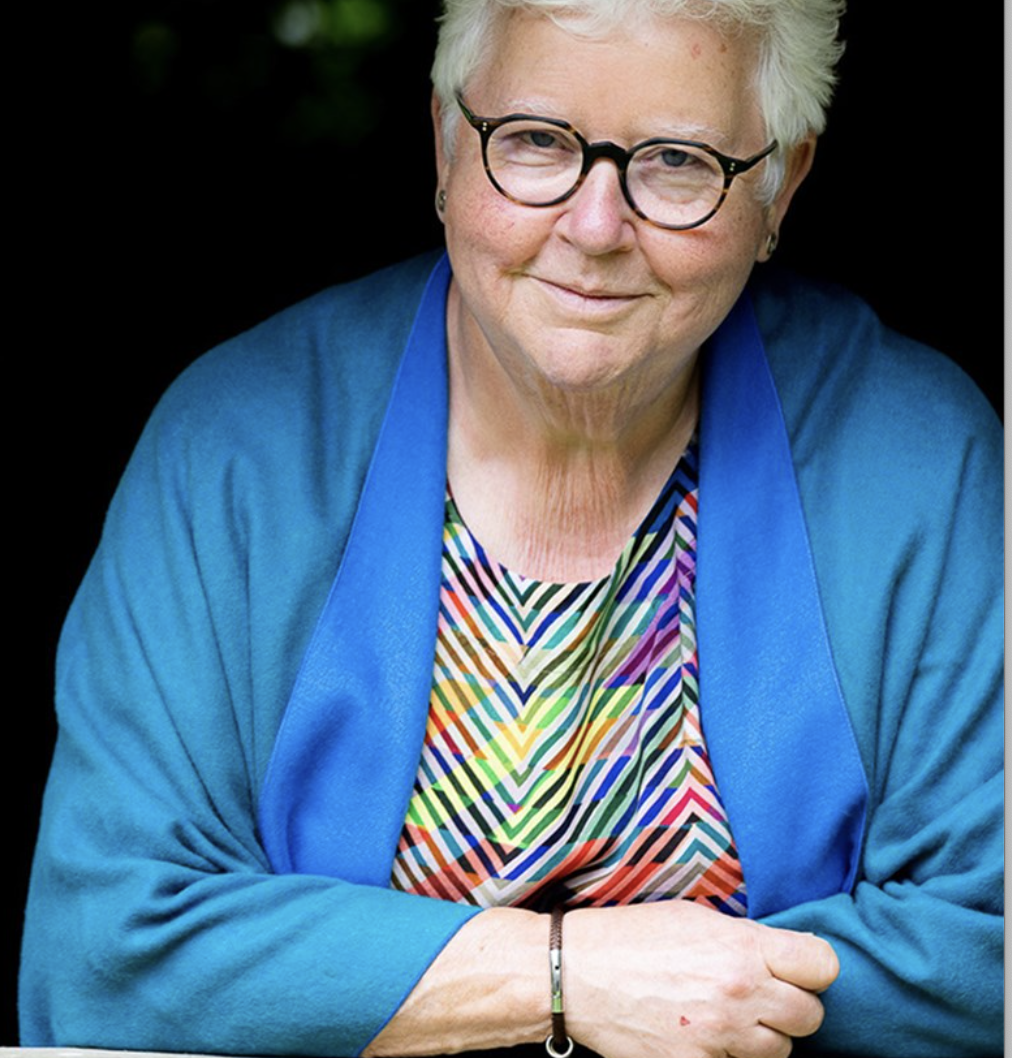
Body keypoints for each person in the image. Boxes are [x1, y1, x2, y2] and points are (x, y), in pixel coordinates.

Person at [20, 0, 1002, 1056]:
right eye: (534, 141)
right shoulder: (235, 446)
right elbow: (108, 952)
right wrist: (564, 979)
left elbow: (982, 947)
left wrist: (348, 978)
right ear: (446, 141)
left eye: (675, 162)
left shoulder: (915, 456)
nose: (593, 226)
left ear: (780, 185)